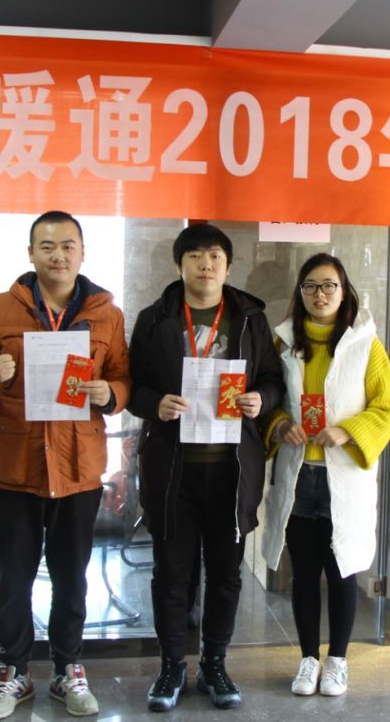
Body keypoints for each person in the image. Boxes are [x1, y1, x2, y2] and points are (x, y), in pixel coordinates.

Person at [0, 210, 131, 719]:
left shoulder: (107, 314)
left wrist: (109, 393)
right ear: (30, 253)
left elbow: (125, 379)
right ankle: (13, 670)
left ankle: (67, 668)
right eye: (47, 246)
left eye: (68, 246)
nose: (58, 255)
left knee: (72, 579)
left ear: (83, 253)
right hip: (14, 469)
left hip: (77, 471)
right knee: (13, 579)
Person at [128, 223, 284, 712]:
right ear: (179, 265)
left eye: (215, 255)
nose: (206, 264)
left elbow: (273, 380)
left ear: (228, 266)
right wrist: (155, 404)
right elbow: (132, 385)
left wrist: (261, 399)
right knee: (171, 574)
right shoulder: (155, 319)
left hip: (230, 472)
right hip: (173, 470)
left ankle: (215, 663)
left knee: (225, 575)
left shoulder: (250, 318)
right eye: (195, 255)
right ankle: (172, 665)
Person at [261, 253, 390, 698]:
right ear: (300, 292)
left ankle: (337, 660)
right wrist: (281, 424)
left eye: (329, 286)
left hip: (343, 477)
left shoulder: (366, 345)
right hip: (299, 475)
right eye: (310, 286)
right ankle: (308, 659)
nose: (319, 294)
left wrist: (348, 430)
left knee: (342, 571)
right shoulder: (284, 343)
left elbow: (387, 407)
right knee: (304, 574)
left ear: (344, 292)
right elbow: (269, 398)